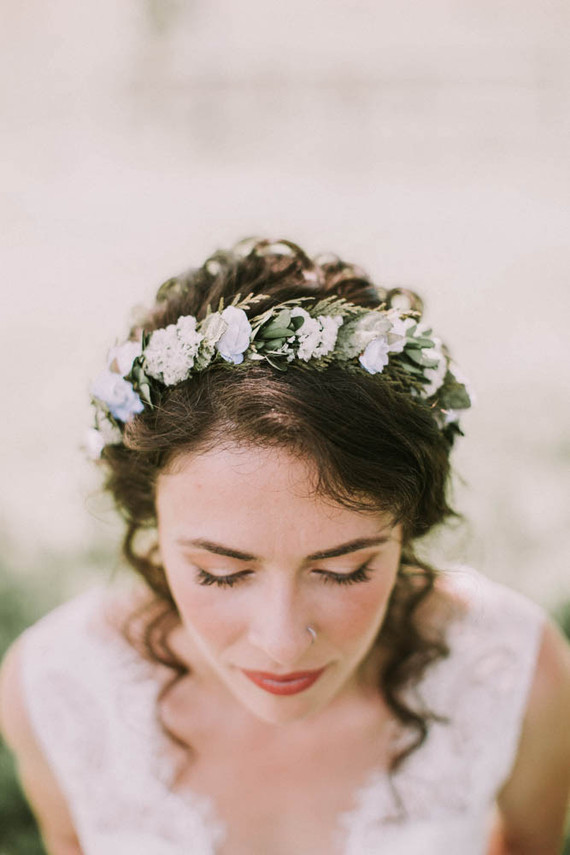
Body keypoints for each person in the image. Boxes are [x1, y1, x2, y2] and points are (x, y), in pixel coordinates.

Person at [1, 237, 569, 855]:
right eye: (219, 573)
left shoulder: (516, 673)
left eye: (347, 570)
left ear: (408, 527)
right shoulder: (59, 688)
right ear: (152, 524)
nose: (279, 642)